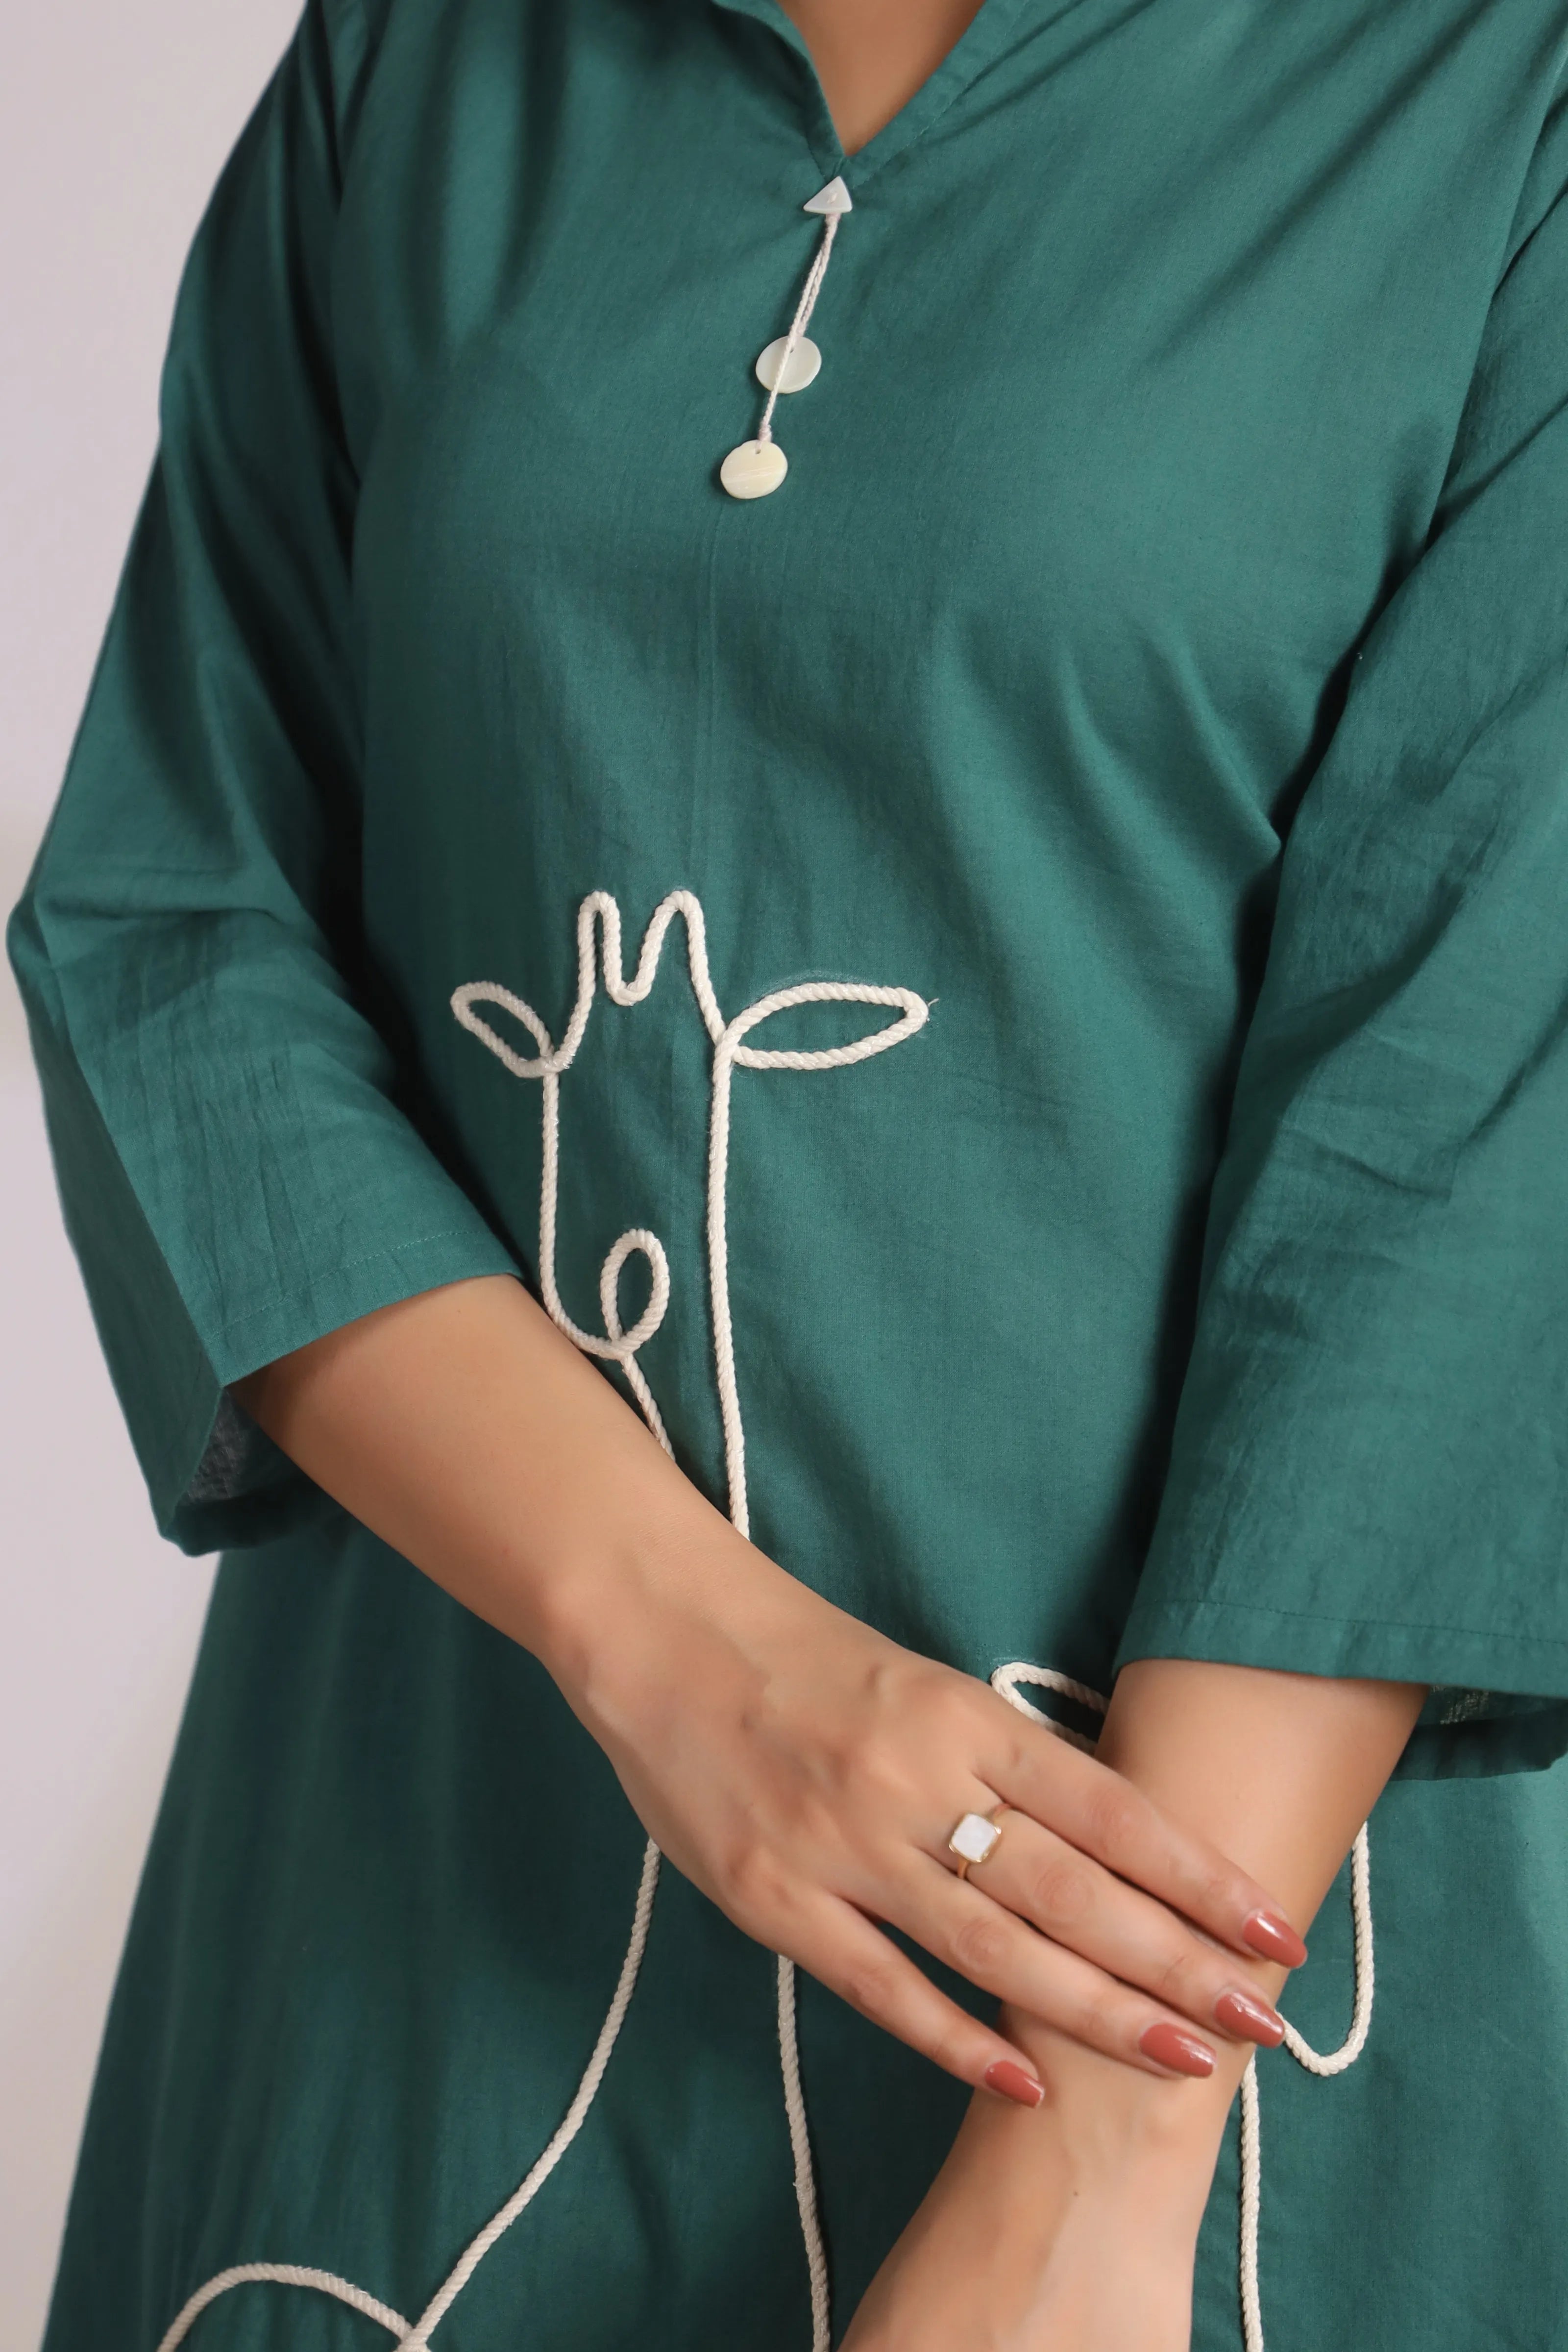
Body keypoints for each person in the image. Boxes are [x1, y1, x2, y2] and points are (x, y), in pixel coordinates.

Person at [14, 0, 1568, 2343]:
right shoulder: (416, 59)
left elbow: (1464, 1151)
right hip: (430, 1912)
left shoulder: (1495, 101)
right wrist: (671, 1645)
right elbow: (179, 918)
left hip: (1191, 2022)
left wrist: (1097, 2163)